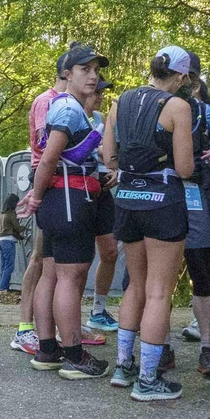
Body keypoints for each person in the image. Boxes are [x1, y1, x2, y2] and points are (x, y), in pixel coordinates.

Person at [101, 45, 195, 401]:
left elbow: (108, 157)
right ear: (181, 77)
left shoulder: (118, 102)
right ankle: (148, 379)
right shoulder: (177, 107)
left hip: (126, 201)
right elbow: (185, 168)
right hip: (163, 201)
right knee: (159, 291)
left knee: (134, 287)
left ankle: (124, 367)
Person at [19, 42, 110, 380]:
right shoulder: (69, 109)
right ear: (67, 74)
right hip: (69, 201)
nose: (93, 76)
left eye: (96, 71)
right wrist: (37, 196)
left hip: (61, 202)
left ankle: (47, 349)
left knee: (51, 275)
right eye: (85, 69)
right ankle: (74, 355)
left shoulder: (64, 106)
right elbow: (49, 158)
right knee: (70, 279)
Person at [11, 57, 70, 354]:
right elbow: (45, 149)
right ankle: (24, 329)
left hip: (65, 184)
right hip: (47, 180)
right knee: (40, 257)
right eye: (86, 70)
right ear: (67, 72)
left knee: (58, 262)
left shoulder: (72, 102)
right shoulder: (46, 101)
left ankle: (63, 326)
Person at [176, 65, 210, 379]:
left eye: (191, 77)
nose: (185, 82)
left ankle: (207, 347)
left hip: (196, 195)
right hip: (159, 195)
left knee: (201, 269)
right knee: (155, 279)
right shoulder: (149, 105)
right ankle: (158, 348)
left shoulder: (208, 114)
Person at [84, 81, 120, 334]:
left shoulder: (99, 117)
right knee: (78, 259)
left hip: (104, 189)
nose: (100, 96)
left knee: (110, 251)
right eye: (97, 92)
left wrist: (115, 168)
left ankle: (98, 310)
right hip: (80, 190)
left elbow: (112, 151)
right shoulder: (68, 110)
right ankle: (64, 318)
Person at [0, 194, 24, 292]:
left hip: (1, 240)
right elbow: (17, 227)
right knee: (9, 266)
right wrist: (25, 228)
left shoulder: (3, 213)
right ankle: (3, 288)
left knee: (4, 265)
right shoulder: (11, 214)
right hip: (8, 241)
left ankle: (2, 286)